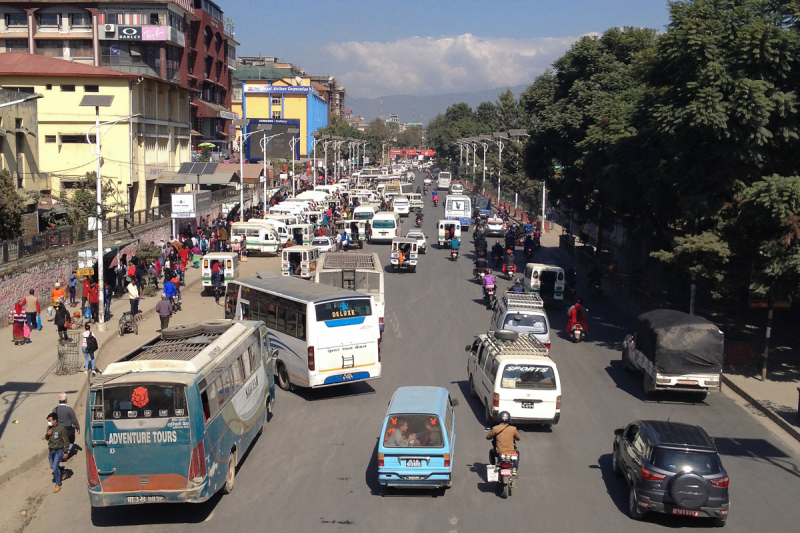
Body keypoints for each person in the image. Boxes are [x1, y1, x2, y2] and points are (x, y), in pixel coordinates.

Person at [45, 412, 69, 493]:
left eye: (50, 420)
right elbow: (47, 438)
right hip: (51, 450)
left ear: (55, 420)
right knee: (52, 466)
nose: (49, 422)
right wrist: (47, 435)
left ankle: (58, 484)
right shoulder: (49, 428)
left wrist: (65, 452)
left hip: (59, 450)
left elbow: (66, 440)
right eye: (48, 421)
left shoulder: (61, 429)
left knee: (55, 467)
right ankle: (63, 471)